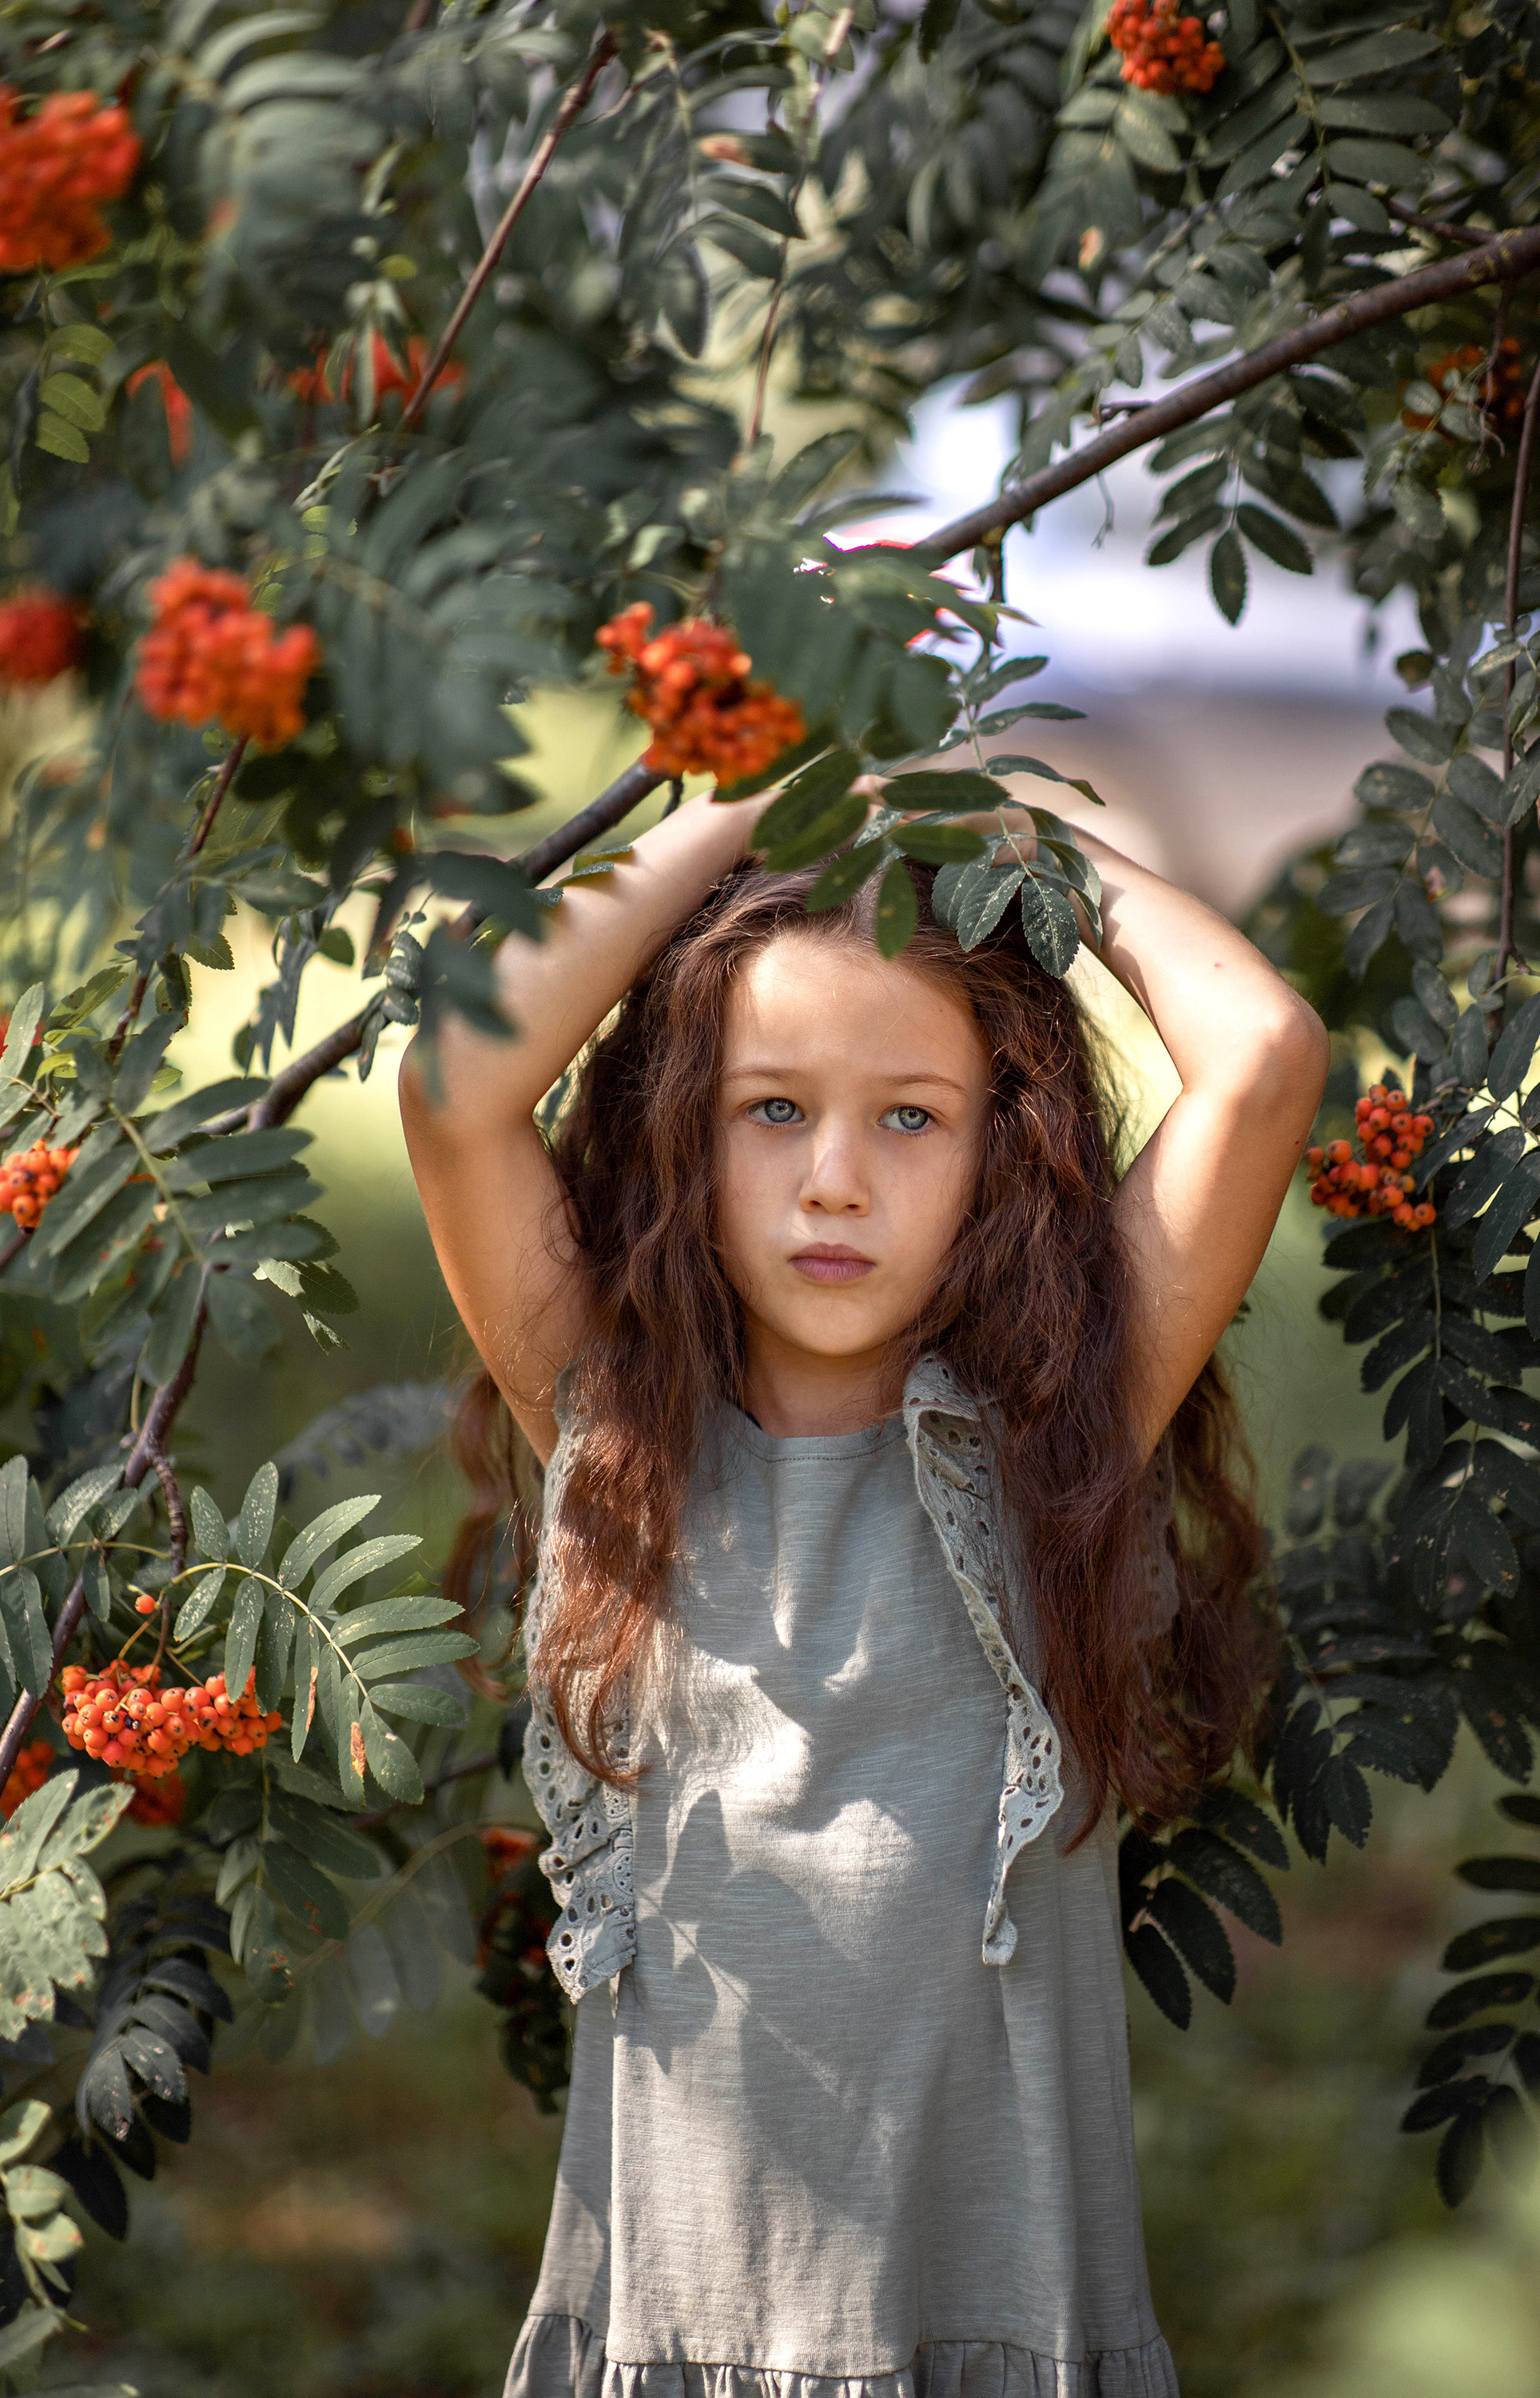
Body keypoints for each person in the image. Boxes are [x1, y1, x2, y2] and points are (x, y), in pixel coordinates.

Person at [400, 780, 1330, 2398]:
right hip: (675, 2334)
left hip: (999, 2330)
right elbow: (452, 1082)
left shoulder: (1059, 1443)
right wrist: (745, 793)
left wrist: (996, 824)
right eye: (771, 1110)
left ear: (1004, 1150)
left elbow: (1258, 1059)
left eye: (909, 1116)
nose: (834, 1181)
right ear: (682, 1129)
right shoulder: (619, 1442)